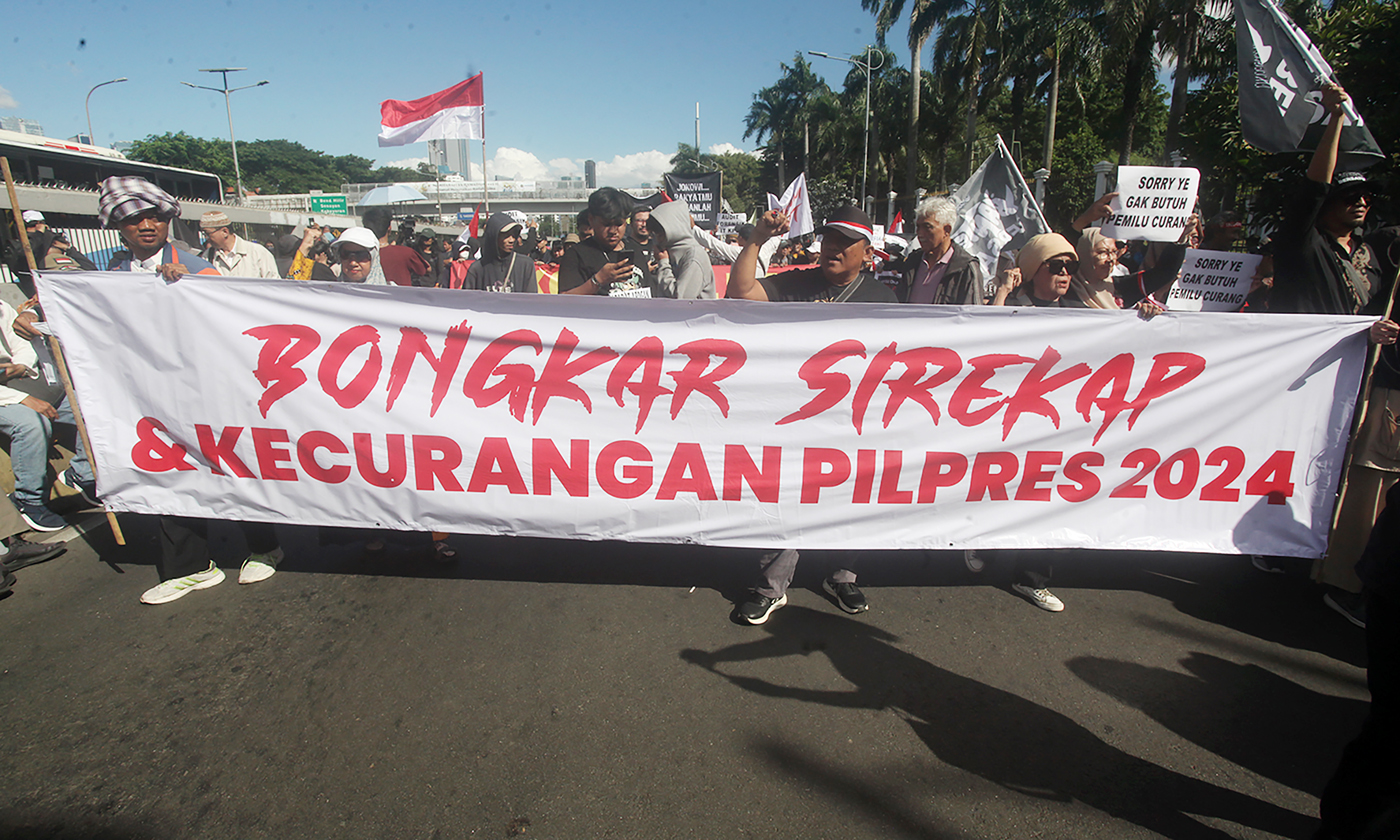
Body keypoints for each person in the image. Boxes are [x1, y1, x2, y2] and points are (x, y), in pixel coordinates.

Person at [94, 177, 287, 604]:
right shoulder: (111, 273)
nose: (146, 226)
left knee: (230, 465)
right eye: (134, 220)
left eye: (154, 218)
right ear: (118, 227)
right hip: (149, 395)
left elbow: (235, 318)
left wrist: (196, 288)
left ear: (167, 222)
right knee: (170, 472)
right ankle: (191, 567)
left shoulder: (198, 268)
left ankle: (263, 546)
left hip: (208, 389)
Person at [725, 205, 896, 624]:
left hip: (855, 421)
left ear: (867, 251)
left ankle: (843, 575)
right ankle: (771, 586)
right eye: (829, 239)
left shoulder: (884, 299)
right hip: (795, 418)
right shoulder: (797, 283)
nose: (833, 248)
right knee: (786, 496)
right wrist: (757, 239)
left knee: (852, 499)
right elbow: (741, 292)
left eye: (845, 242)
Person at [1270, 83, 1400, 626]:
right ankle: (1278, 544)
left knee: (1338, 467)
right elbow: (1309, 189)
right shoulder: (1304, 245)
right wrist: (1334, 119)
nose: (1361, 203)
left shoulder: (1373, 256)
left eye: (1366, 197)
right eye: (1349, 197)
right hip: (1309, 379)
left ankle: (1322, 548)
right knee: (1297, 460)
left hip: (1359, 381)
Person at [0, 294, 95, 532]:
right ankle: (28, 500)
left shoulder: (1, 306)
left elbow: (20, 342)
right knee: (31, 424)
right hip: (6, 396)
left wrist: (21, 365)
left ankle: (81, 474)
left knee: (90, 406)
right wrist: (21, 398)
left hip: (11, 381)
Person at [889, 196, 984, 305]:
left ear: (946, 230)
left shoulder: (965, 268)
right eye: (918, 227)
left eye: (927, 227)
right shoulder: (913, 262)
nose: (920, 234)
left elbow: (972, 315)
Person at [558, 188, 650, 297]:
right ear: (591, 220)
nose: (613, 231)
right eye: (606, 224)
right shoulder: (576, 255)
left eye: (618, 224)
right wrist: (598, 280)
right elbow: (564, 299)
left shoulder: (635, 250)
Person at [647, 201, 715, 300]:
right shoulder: (666, 251)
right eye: (655, 232)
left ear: (675, 227)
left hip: (691, 314)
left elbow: (681, 299)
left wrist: (663, 264)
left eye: (661, 232)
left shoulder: (694, 256)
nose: (658, 237)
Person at [462, 213, 537, 293]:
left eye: (513, 235)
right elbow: (467, 301)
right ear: (494, 237)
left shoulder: (525, 265)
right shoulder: (477, 269)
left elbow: (531, 300)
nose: (511, 240)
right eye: (506, 235)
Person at [199, 211, 279, 278]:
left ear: (225, 232)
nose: (206, 238)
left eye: (208, 233)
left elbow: (274, 285)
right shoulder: (208, 256)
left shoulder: (257, 253)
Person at [363, 207, 428, 286]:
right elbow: (424, 270)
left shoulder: (359, 257)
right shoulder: (406, 253)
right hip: (401, 297)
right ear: (389, 228)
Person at [692, 222, 782, 278]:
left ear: (742, 238)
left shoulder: (740, 253)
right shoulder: (765, 250)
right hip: (758, 297)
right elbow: (776, 238)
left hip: (740, 300)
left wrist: (693, 227)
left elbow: (713, 243)